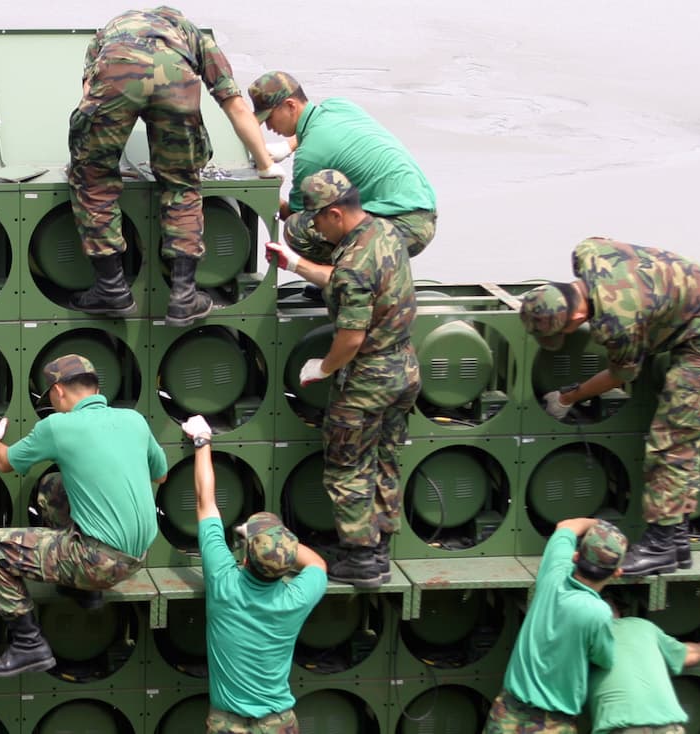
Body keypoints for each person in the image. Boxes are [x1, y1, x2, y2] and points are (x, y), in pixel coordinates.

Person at [518, 237, 700, 576]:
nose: (576, 329)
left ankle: (662, 546)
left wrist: (568, 397)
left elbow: (621, 374)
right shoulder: (586, 254)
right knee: (676, 436)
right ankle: (679, 541)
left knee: (672, 440)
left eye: (569, 327)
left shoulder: (616, 323)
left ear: (578, 313)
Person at [67, 6, 285, 327]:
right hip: (176, 75)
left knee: (93, 177)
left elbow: (90, 94)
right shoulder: (189, 33)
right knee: (182, 184)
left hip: (118, 69)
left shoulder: (109, 32)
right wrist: (266, 164)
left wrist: (97, 155)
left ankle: (111, 287)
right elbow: (233, 102)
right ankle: (184, 296)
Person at [264, 170, 420, 588]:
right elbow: (347, 281)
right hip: (403, 369)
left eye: (316, 220)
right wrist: (296, 264)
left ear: (335, 213)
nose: (314, 228)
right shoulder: (385, 232)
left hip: (367, 380)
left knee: (347, 468)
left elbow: (351, 337)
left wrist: (324, 368)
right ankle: (380, 548)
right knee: (384, 459)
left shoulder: (351, 263)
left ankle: (361, 559)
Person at [0, 354, 167, 676]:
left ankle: (28, 644)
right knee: (53, 486)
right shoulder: (135, 421)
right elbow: (160, 476)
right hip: (137, 556)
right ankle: (85, 591)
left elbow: (5, 462)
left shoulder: (58, 426)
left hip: (96, 560)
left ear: (58, 390)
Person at [181, 414, 327, 734]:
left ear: (246, 555)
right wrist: (280, 543)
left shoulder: (224, 582)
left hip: (227, 723)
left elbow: (206, 503)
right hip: (279, 722)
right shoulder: (297, 597)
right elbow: (317, 564)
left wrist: (202, 441)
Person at [248, 70, 437, 266]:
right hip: (422, 207)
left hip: (406, 227)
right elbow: (323, 134)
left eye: (269, 117)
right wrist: (288, 146)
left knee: (297, 229)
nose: (268, 127)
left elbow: (296, 214)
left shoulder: (309, 156)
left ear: (290, 106)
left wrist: (264, 189)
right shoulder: (337, 106)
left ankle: (340, 279)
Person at [485, 518, 625, 733]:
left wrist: (599, 524)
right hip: (552, 725)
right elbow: (604, 659)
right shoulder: (598, 613)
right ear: (617, 573)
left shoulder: (555, 572)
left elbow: (566, 526)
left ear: (576, 556)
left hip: (506, 713)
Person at [586, 608, 700, 734]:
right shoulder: (642, 626)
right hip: (667, 727)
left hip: (621, 728)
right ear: (618, 612)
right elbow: (690, 655)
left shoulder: (586, 636)